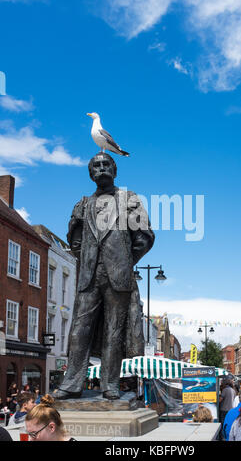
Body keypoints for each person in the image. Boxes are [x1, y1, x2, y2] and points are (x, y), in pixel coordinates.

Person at [53, 153, 154, 401]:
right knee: (79, 329)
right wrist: (86, 258)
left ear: (114, 169)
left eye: (105, 164)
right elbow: (74, 239)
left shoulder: (129, 200)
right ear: (90, 173)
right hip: (89, 275)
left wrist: (125, 261)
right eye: (96, 166)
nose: (101, 169)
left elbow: (144, 237)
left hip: (117, 275)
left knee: (113, 331)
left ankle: (110, 385)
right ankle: (73, 382)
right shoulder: (83, 204)